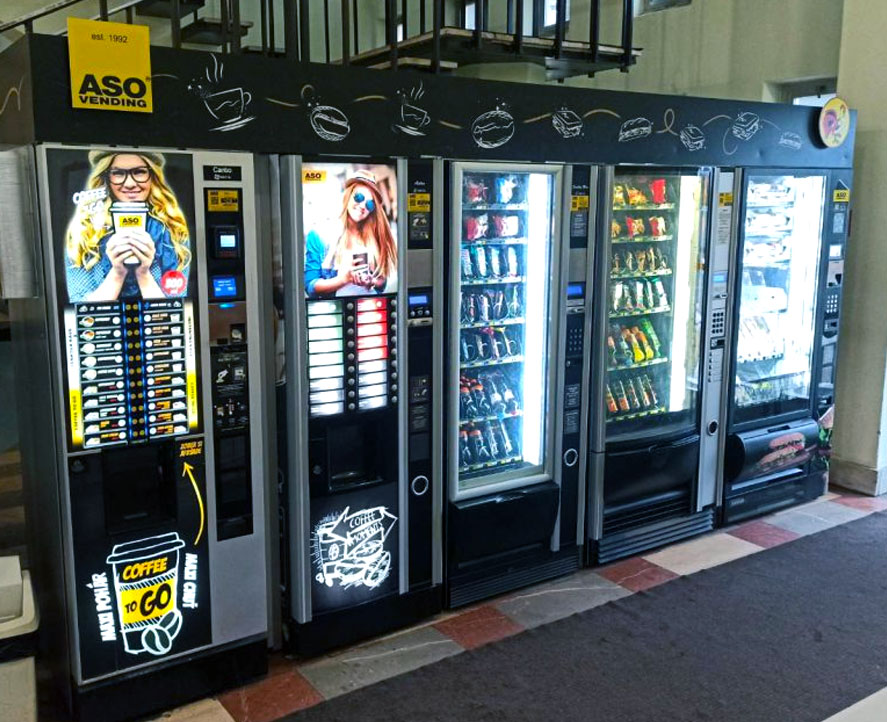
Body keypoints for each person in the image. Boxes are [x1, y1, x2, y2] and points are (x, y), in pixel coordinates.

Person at [65, 150, 191, 302]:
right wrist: (117, 273)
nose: (130, 183)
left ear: (153, 176)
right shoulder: (84, 231)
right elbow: (80, 310)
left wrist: (143, 273)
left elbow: (177, 309)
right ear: (106, 178)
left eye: (139, 172)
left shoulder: (174, 230)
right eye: (118, 173)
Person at [305, 169, 398, 298]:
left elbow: (382, 283)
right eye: (359, 197)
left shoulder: (374, 237)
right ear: (347, 195)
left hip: (369, 308)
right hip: (338, 309)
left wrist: (372, 281)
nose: (363, 206)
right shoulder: (319, 235)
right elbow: (310, 287)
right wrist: (344, 279)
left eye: (369, 204)